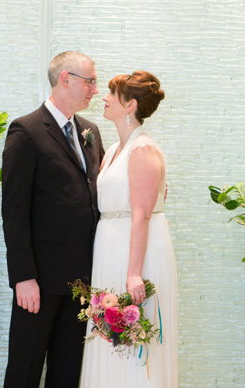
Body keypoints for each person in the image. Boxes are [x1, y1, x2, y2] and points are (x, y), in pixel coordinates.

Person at [2, 51, 105, 388]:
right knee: (25, 370)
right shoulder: (27, 130)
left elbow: (100, 188)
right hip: (40, 281)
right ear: (65, 79)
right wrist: (23, 277)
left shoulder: (90, 131)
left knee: (66, 374)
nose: (94, 88)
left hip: (81, 281)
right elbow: (14, 211)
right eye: (89, 81)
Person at [79, 71, 178, 387]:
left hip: (134, 253)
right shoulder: (113, 151)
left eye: (112, 94)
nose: (104, 99)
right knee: (109, 340)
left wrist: (134, 273)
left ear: (131, 104)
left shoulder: (143, 150)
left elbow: (142, 216)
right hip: (110, 248)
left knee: (133, 343)